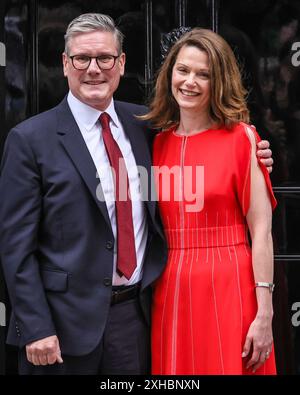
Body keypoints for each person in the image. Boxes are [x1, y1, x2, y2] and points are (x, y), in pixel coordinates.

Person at [0, 14, 273, 375]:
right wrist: (36, 328)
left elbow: (207, 147)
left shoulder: (147, 126)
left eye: (105, 58)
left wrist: (254, 153)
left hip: (137, 318)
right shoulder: (29, 139)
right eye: (82, 58)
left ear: (121, 63)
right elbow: (16, 246)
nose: (94, 69)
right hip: (61, 329)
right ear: (65, 64)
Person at [141, 28, 277, 374]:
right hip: (170, 286)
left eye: (204, 74)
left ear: (219, 82)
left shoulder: (242, 139)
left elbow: (261, 230)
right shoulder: (156, 144)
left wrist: (265, 311)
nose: (190, 82)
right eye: (183, 70)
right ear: (169, 73)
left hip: (230, 281)